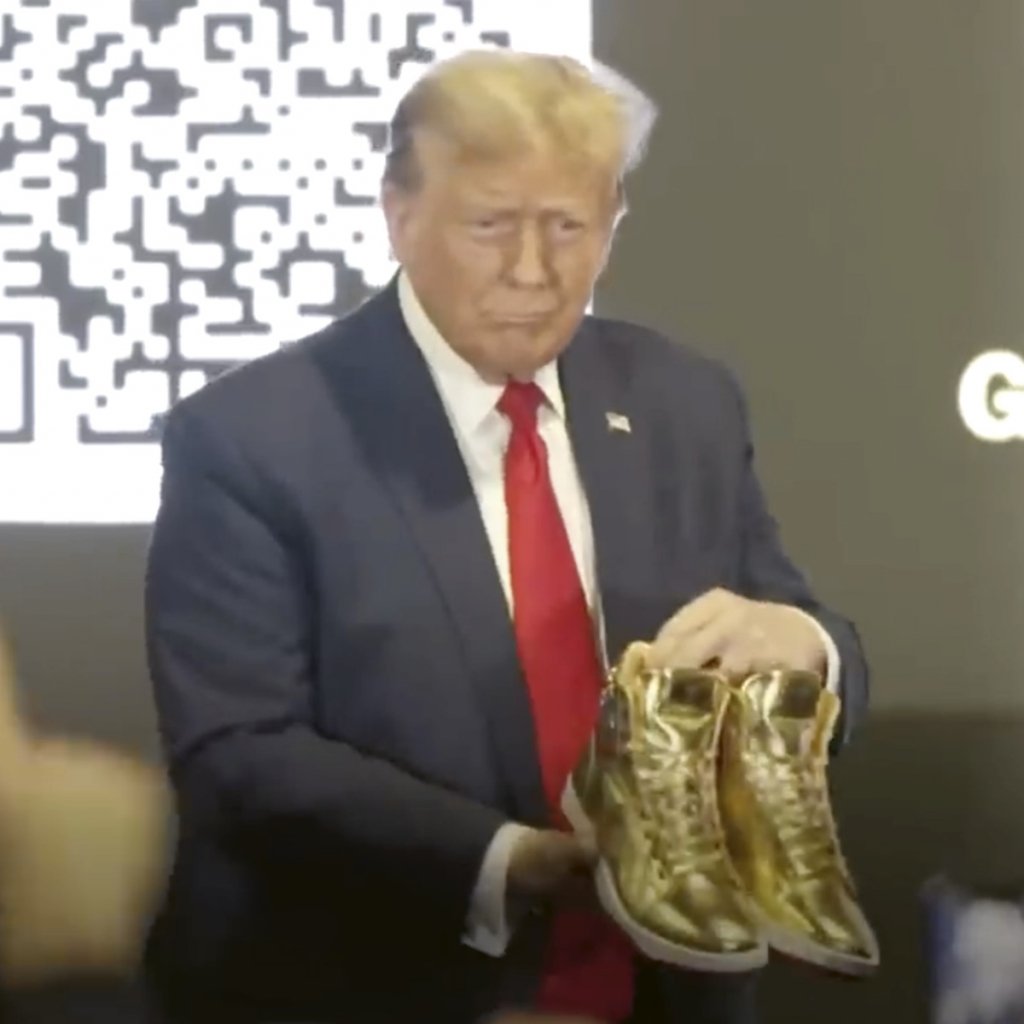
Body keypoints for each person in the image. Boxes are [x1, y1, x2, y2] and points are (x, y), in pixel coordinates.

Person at [144, 50, 869, 1024]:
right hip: (376, 985)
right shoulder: (252, 436)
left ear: (613, 223)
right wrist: (511, 862)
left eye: (568, 227)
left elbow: (812, 637)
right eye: (490, 226)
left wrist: (805, 645)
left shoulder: (683, 402)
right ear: (400, 216)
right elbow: (240, 749)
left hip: (663, 995)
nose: (532, 270)